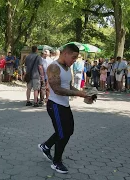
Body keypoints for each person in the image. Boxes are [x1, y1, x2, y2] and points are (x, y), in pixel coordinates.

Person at [38, 44, 93, 174]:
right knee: (62, 133)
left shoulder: (68, 68)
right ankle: (57, 162)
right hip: (55, 105)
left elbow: (68, 86)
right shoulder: (53, 67)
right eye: (73, 57)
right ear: (65, 54)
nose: (74, 60)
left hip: (64, 105)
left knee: (68, 130)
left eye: (76, 58)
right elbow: (56, 89)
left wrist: (83, 94)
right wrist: (78, 94)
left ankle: (45, 146)